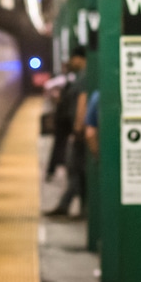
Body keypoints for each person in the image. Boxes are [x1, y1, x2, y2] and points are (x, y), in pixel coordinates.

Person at [46, 53, 91, 217]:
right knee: (77, 170)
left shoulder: (85, 78)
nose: (71, 62)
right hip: (78, 132)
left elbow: (82, 101)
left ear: (81, 58)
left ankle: (70, 206)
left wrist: (78, 127)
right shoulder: (81, 77)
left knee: (75, 168)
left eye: (74, 58)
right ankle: (74, 206)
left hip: (80, 133)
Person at [44, 47, 87, 181]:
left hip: (67, 118)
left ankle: (56, 172)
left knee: (61, 146)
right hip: (67, 119)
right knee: (63, 147)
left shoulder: (78, 76)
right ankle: (59, 172)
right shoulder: (79, 76)